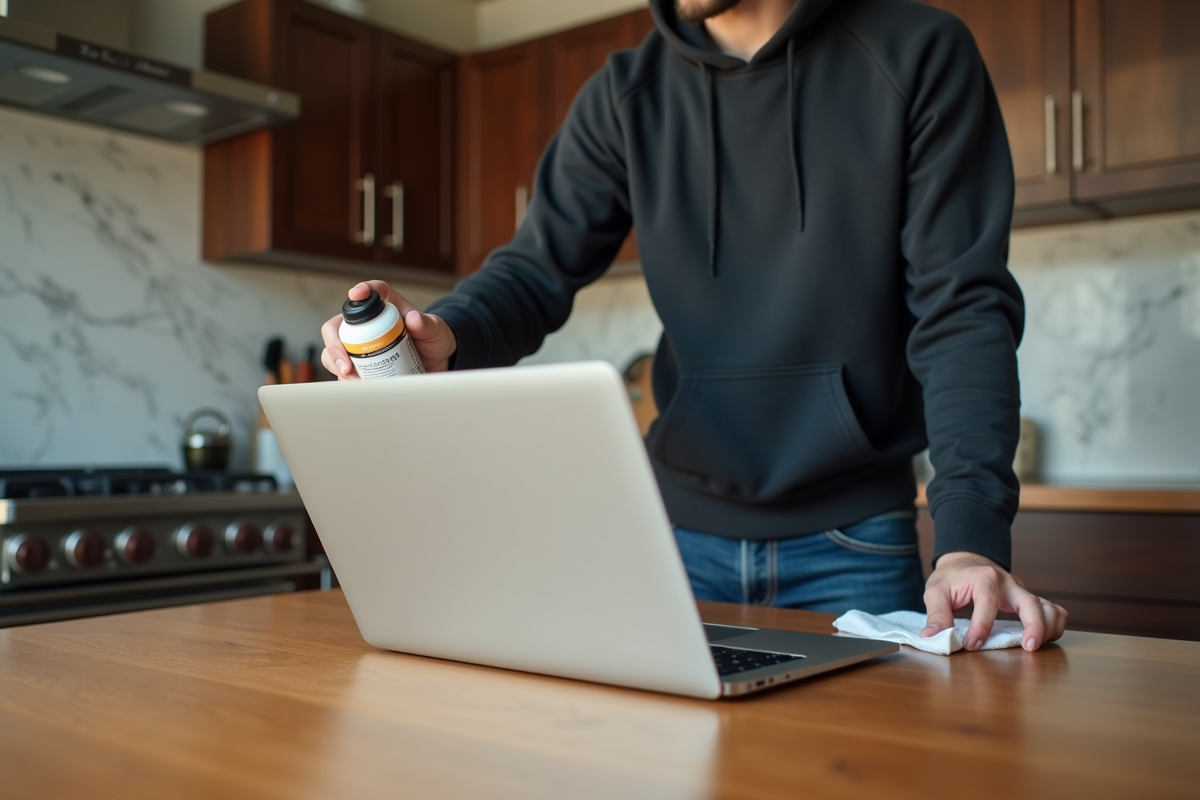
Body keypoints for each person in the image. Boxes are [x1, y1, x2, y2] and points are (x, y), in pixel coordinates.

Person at [320, 0, 1068, 652]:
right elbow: (534, 268)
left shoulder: (919, 52)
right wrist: (447, 331)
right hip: (676, 539)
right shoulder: (624, 94)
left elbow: (962, 309)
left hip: (856, 541)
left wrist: (970, 539)